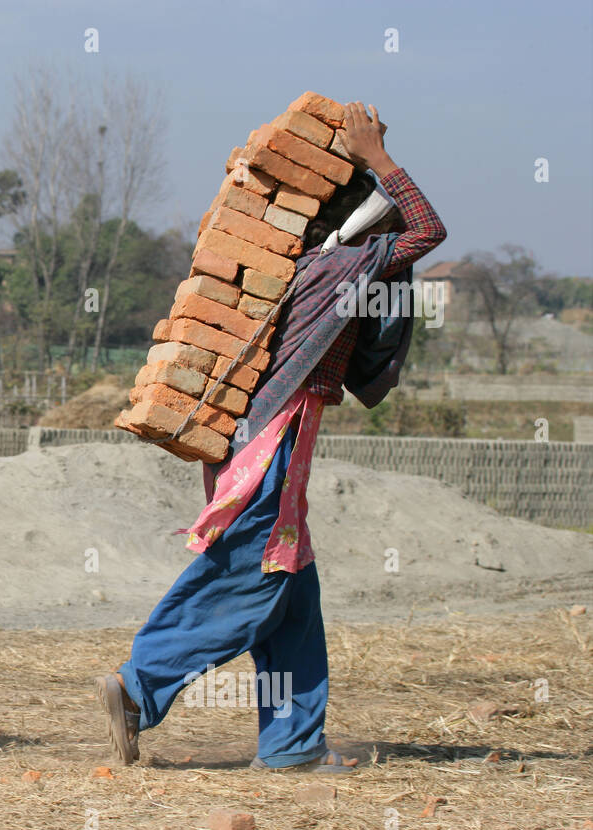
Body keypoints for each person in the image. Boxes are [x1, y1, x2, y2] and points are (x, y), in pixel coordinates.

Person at [96, 103, 446, 772]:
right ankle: (137, 687)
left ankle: (292, 747)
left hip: (264, 436)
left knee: (294, 602)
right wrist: (380, 159)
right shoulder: (339, 269)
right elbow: (430, 227)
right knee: (252, 578)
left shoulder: (314, 267)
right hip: (271, 444)